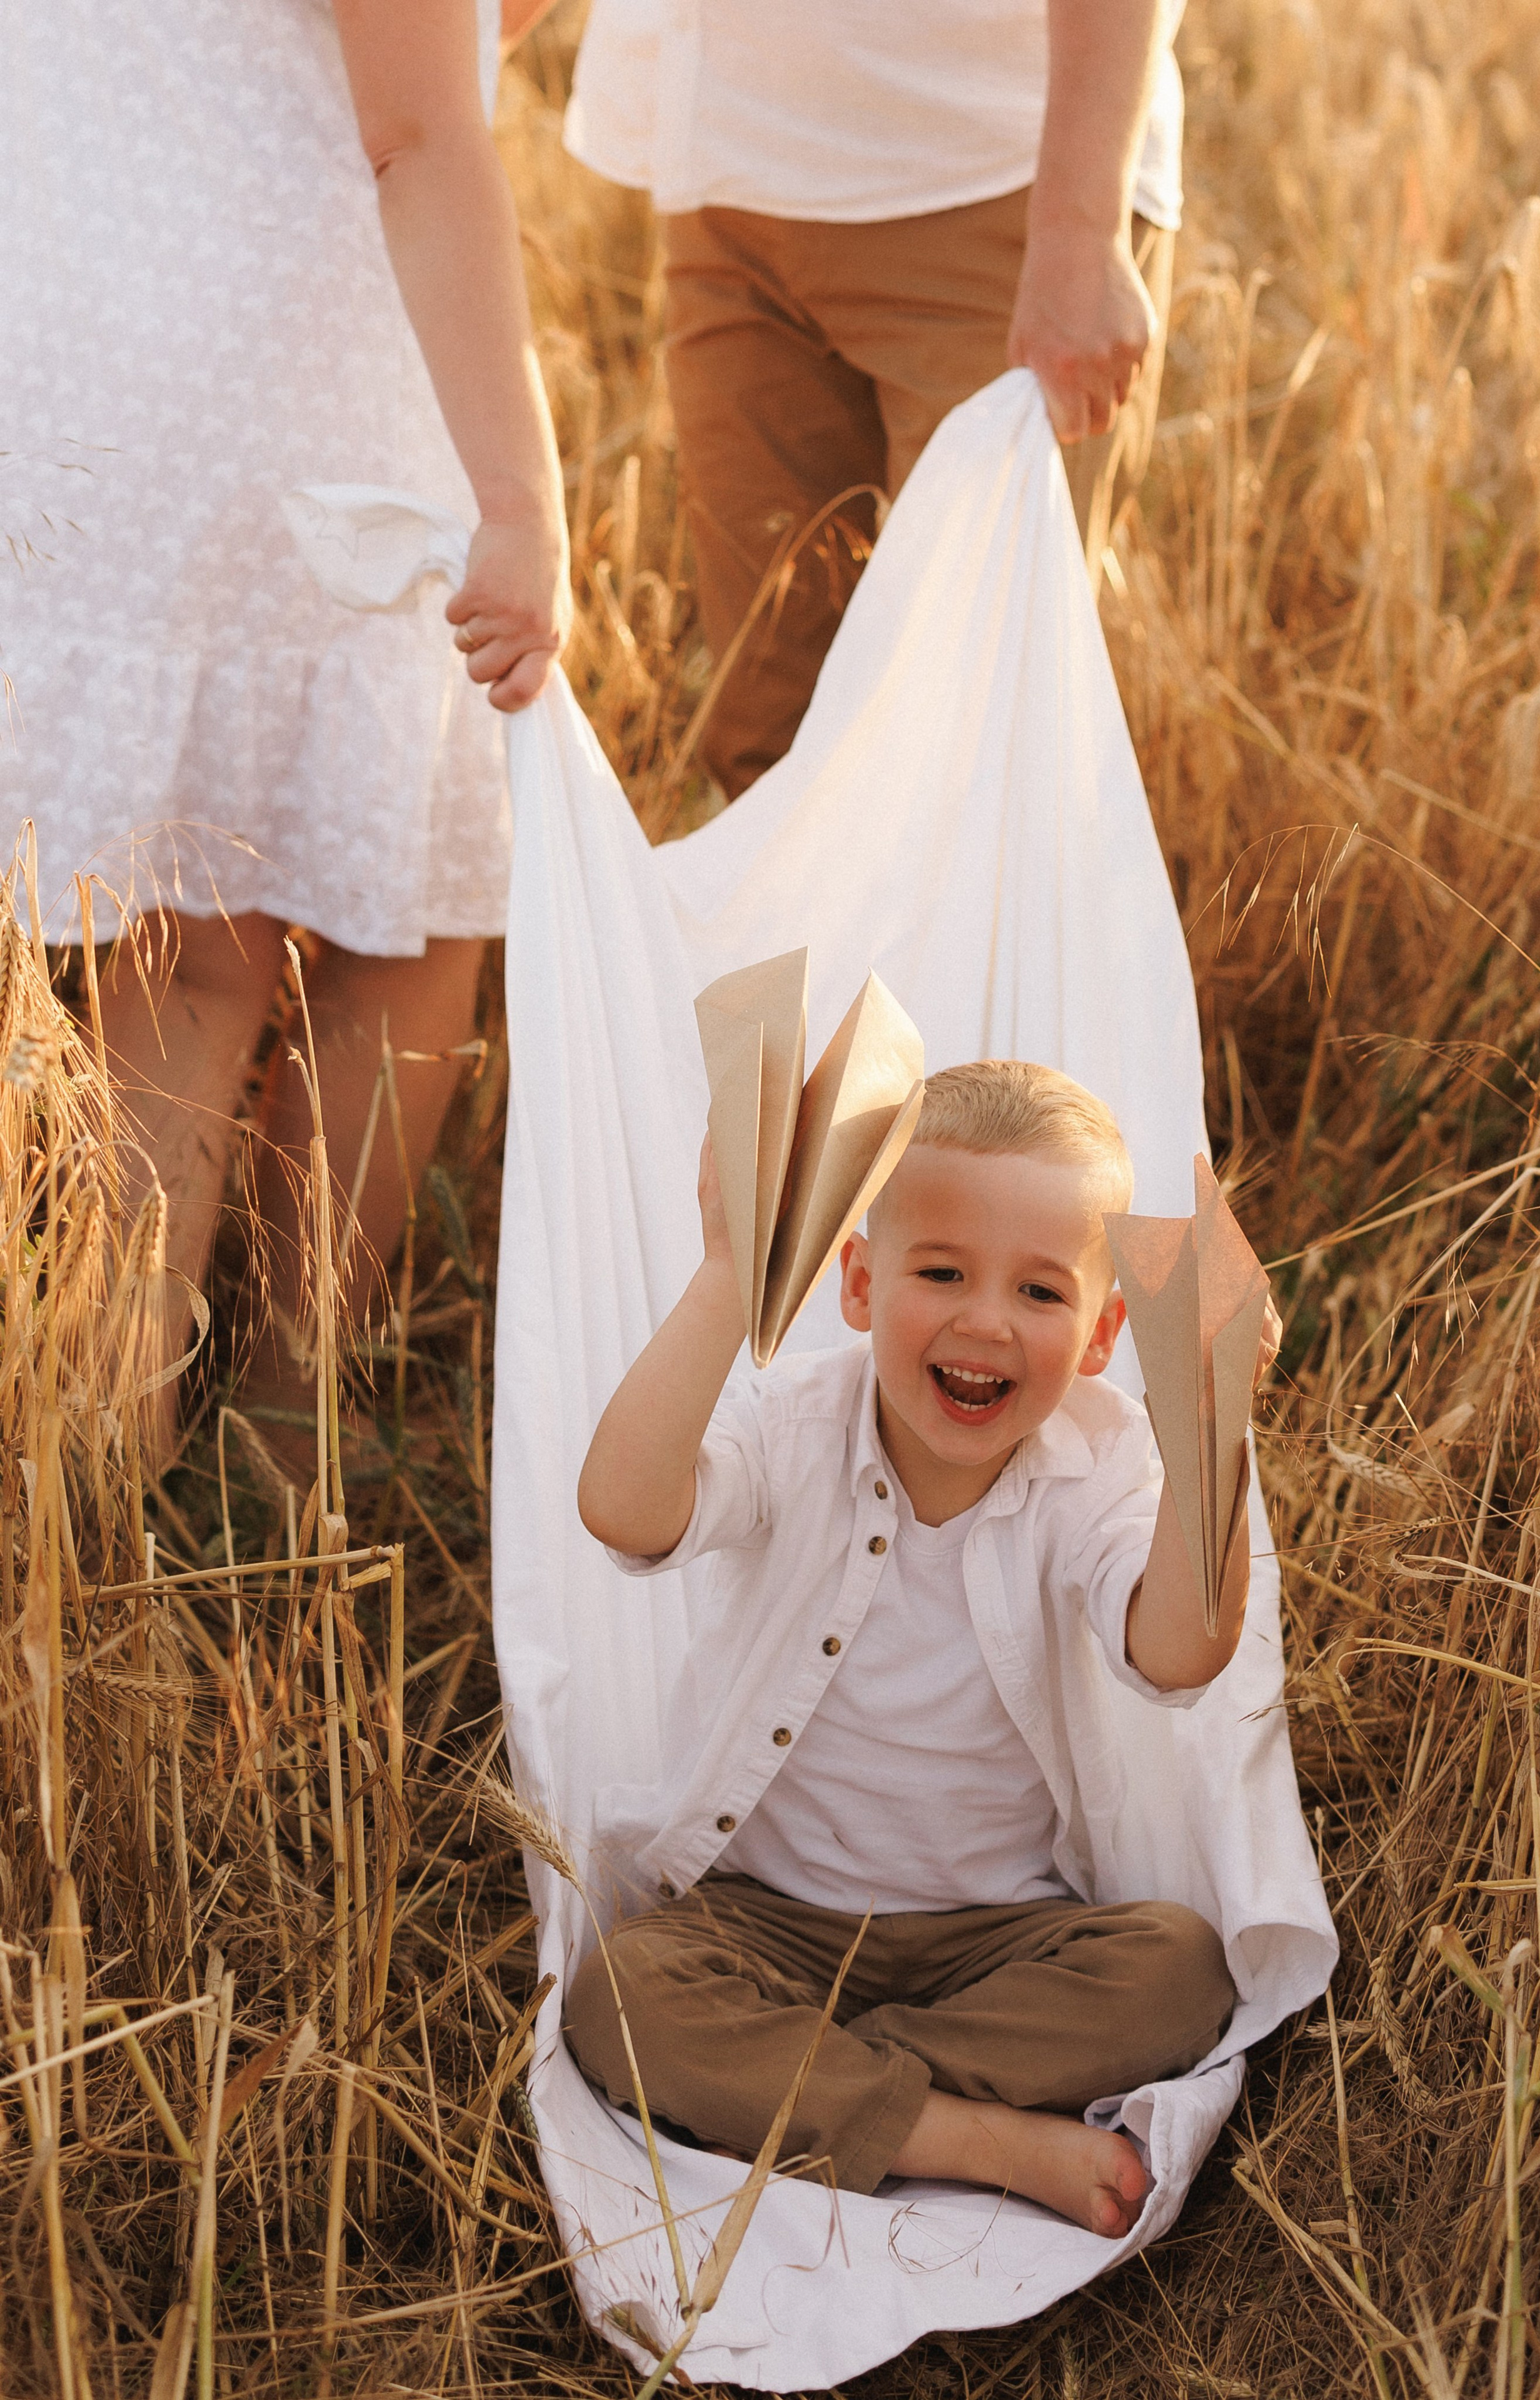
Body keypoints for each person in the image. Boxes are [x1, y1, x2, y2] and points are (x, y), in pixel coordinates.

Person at [567, 1061, 1280, 2236]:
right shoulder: (795, 1421)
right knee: (623, 1995)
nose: (986, 1318)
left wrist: (1209, 1431)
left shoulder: (1098, 1468)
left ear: (1105, 1332)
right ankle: (973, 2136)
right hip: (765, 1918)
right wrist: (730, 1271)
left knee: (1181, 1968)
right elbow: (623, 1507)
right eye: (940, 1271)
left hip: (994, 1943)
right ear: (856, 1279)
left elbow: (1179, 1655)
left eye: (1042, 1292)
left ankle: (813, 2090)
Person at [1, 0, 568, 1421]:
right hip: (292, 354)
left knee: (186, 951)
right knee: (408, 923)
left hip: (87, 325)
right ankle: (275, 1432)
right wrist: (520, 497)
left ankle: (104, 1487)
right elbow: (423, 130)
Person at [561, 0, 1186, 795]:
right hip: (723, 178)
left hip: (993, 175)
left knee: (980, 735)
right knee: (768, 730)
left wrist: (1080, 225)